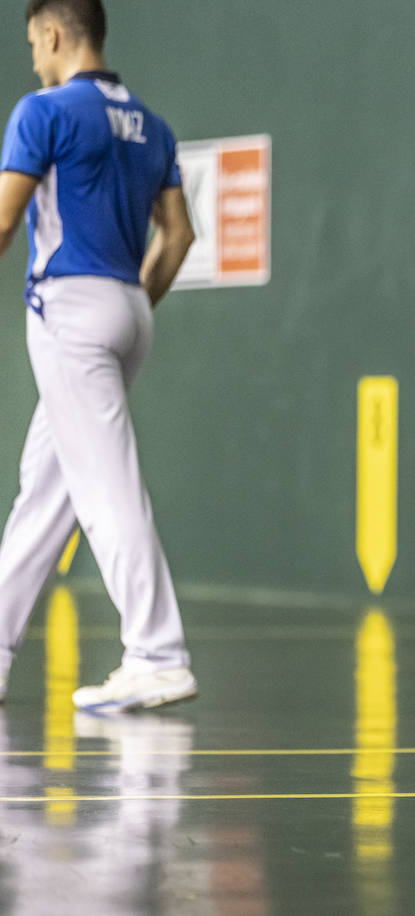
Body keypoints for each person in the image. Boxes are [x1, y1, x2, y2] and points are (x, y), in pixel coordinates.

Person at [0, 0, 197, 710]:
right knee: (46, 490)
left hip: (71, 314)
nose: (33, 58)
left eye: (33, 43)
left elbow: (3, 217)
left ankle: (157, 654)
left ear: (53, 34)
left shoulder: (42, 111)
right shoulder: (152, 125)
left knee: (105, 488)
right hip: (128, 309)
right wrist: (131, 302)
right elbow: (178, 235)